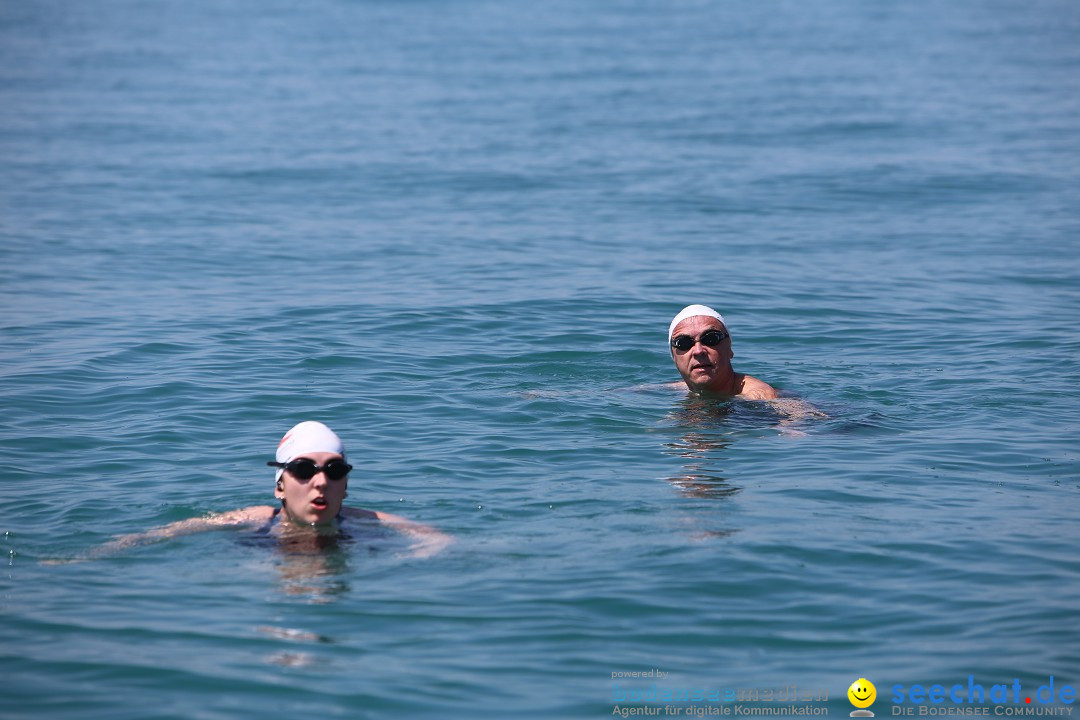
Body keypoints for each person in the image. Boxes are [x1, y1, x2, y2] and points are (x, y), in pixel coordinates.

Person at [95, 421, 451, 559]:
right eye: (303, 470)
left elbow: (439, 540)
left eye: (335, 470)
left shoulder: (369, 523)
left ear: (346, 485)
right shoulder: (254, 520)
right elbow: (163, 534)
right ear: (279, 485)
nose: (321, 481)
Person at [668, 304, 778, 399]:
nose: (698, 351)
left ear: (729, 348)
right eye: (684, 343)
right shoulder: (680, 388)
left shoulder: (758, 397)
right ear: (673, 356)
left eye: (711, 339)